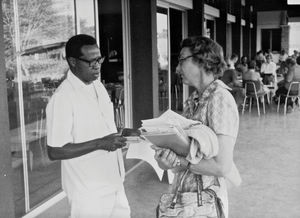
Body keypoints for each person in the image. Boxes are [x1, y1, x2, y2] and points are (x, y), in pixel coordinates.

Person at [153, 36, 240, 218]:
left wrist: (179, 160)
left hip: (204, 202)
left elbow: (221, 167)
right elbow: (184, 156)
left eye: (181, 60)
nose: (177, 69)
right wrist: (167, 159)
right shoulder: (193, 101)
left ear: (203, 61)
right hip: (185, 197)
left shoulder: (219, 99)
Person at [46, 34, 131, 218]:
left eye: (99, 59)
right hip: (88, 192)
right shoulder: (63, 98)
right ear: (73, 62)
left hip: (114, 180)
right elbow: (54, 151)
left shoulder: (98, 86)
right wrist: (100, 144)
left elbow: (104, 130)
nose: (97, 66)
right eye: (90, 61)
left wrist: (126, 133)